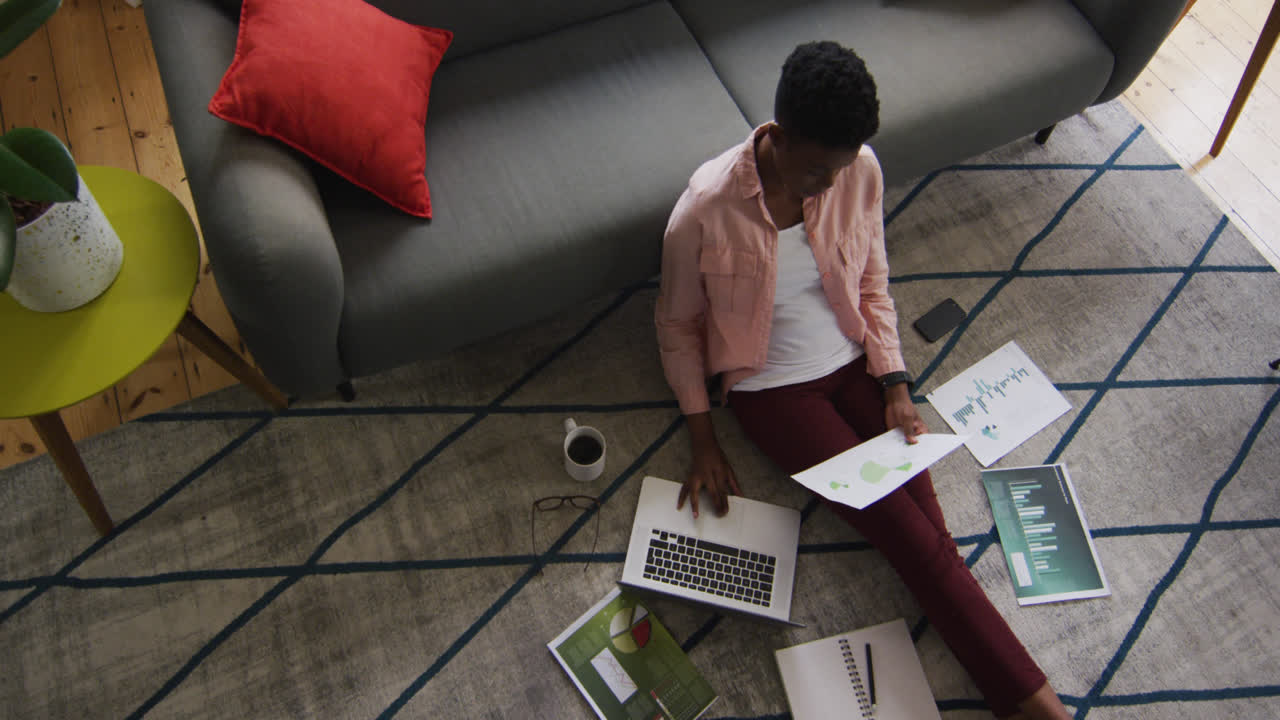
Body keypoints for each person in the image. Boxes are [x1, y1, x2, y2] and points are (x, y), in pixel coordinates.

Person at [655, 41, 1072, 720]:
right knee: (914, 542)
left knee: (926, 538)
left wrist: (896, 384)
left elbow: (873, 281)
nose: (829, 184)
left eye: (841, 168)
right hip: (774, 391)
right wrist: (703, 437)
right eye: (818, 169)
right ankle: (1037, 706)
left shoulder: (859, 170)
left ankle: (1005, 678)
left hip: (856, 363)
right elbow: (675, 326)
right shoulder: (704, 208)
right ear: (779, 137)